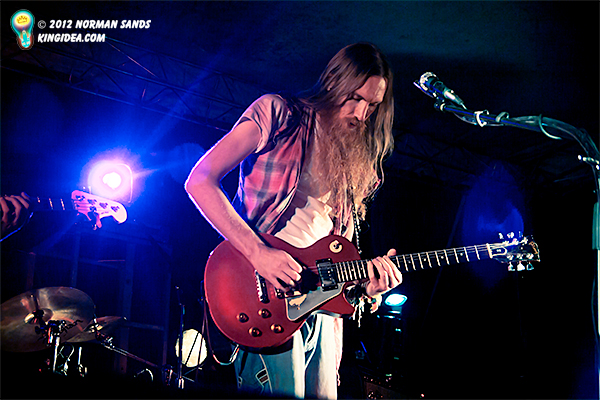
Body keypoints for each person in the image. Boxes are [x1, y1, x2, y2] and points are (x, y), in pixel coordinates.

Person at [185, 43, 402, 399]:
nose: (362, 114)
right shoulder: (280, 114)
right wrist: (258, 254)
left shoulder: (357, 160)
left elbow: (337, 249)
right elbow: (199, 180)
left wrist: (365, 287)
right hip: (264, 294)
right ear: (333, 82)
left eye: (373, 105)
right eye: (355, 98)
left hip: (322, 309)